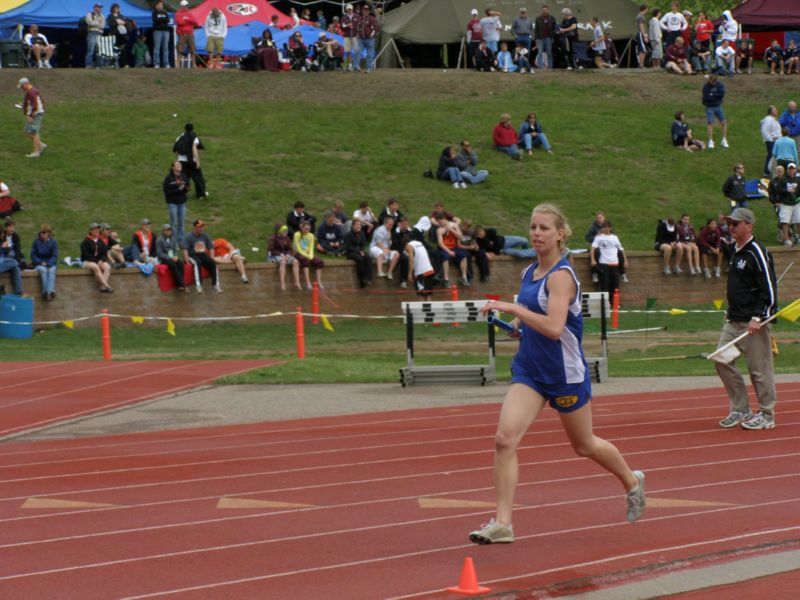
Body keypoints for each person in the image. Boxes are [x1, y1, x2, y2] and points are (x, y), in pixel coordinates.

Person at [468, 204, 645, 545]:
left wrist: (514, 308)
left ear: (560, 234)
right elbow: (531, 314)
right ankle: (503, 523)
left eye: (544, 228)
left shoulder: (562, 277)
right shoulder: (529, 272)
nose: (536, 233)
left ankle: (632, 480)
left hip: (564, 374)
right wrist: (514, 324)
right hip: (530, 370)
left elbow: (553, 327)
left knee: (584, 445)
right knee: (504, 439)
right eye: (533, 226)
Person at [715, 208, 778, 431]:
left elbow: (768, 288)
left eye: (735, 224)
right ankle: (741, 408)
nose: (731, 228)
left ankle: (767, 414)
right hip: (733, 320)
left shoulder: (756, 251)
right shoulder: (735, 250)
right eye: (729, 224)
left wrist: (759, 317)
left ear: (748, 226)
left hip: (753, 322)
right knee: (721, 358)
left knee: (759, 369)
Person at [590, 220, 627, 295]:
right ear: (602, 228)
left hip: (614, 264)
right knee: (604, 286)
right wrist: (592, 259)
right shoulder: (599, 237)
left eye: (608, 227)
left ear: (610, 228)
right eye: (605, 227)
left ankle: (616, 303)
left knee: (615, 286)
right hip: (604, 264)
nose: (606, 229)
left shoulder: (615, 237)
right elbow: (592, 249)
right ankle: (605, 304)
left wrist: (625, 260)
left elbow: (621, 249)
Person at [183, 219, 220, 293]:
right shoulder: (188, 236)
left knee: (212, 263)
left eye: (202, 226)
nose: (201, 228)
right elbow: (185, 249)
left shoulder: (205, 235)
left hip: (202, 254)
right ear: (195, 228)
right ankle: (199, 285)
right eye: (199, 227)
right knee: (197, 263)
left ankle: (215, 284)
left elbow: (211, 248)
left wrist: (212, 258)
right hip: (192, 254)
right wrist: (187, 260)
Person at [174, 123, 207, 200]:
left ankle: (180, 194)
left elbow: (177, 150)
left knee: (183, 179)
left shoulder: (180, 137)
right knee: (198, 179)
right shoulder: (194, 137)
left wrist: (177, 161)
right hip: (192, 162)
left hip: (181, 161)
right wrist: (197, 161)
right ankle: (201, 195)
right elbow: (194, 148)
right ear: (192, 129)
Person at [17, 77, 46, 158]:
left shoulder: (32, 92)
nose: (21, 88)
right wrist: (23, 105)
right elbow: (31, 103)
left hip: (36, 114)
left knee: (34, 132)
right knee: (27, 131)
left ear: (26, 84)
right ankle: (40, 145)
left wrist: (31, 116)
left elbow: (35, 106)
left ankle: (36, 152)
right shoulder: (29, 91)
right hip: (33, 113)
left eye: (22, 86)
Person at [81, 223, 113, 293]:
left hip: (99, 260)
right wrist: (96, 261)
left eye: (97, 229)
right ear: (90, 231)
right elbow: (86, 255)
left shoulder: (100, 241)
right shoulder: (86, 241)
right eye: (94, 229)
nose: (96, 231)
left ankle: (102, 287)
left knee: (107, 267)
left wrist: (102, 260)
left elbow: (104, 253)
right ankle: (107, 286)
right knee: (96, 267)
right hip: (87, 261)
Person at [163, 160, 190, 243]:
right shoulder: (168, 178)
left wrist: (185, 188)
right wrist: (179, 189)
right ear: (173, 167)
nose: (179, 166)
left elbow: (187, 186)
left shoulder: (184, 176)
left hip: (182, 202)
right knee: (173, 222)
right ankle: (173, 240)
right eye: (177, 165)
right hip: (172, 203)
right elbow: (167, 192)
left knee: (181, 222)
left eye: (180, 165)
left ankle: (181, 239)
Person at [268, 224, 300, 291]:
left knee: (295, 261)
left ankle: (296, 282)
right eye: (283, 231)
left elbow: (289, 249)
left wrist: (288, 255)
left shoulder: (287, 238)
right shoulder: (273, 238)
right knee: (283, 262)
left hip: (286, 255)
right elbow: (271, 249)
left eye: (286, 231)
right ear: (279, 231)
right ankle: (282, 283)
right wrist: (281, 254)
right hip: (276, 255)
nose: (285, 232)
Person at [437, 221, 470, 287]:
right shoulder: (440, 230)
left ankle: (464, 278)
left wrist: (452, 230)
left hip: (454, 248)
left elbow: (461, 238)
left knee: (463, 256)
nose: (444, 223)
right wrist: (449, 251)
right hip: (444, 248)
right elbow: (440, 243)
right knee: (445, 257)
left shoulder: (455, 227)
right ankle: (446, 279)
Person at [293, 220, 324, 290]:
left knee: (319, 261)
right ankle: (308, 283)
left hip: (308, 254)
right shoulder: (297, 234)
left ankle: (319, 281)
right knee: (305, 261)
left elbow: (311, 247)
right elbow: (298, 249)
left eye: (309, 229)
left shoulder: (311, 235)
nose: (307, 230)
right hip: (298, 253)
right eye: (306, 229)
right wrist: (308, 257)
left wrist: (311, 256)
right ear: (302, 228)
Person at [30, 223, 58, 300]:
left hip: (50, 263)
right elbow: (33, 255)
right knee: (43, 270)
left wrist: (49, 263)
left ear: (48, 233)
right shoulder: (36, 242)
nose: (42, 234)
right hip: (39, 263)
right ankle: (49, 291)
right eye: (41, 232)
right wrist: (40, 262)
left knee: (52, 270)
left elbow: (55, 255)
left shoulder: (53, 242)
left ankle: (46, 292)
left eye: (44, 232)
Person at [156, 223, 186, 292]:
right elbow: (159, 253)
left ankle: (179, 283)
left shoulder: (173, 239)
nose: (169, 231)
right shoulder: (159, 240)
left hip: (173, 257)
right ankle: (182, 284)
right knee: (173, 265)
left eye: (170, 230)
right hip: (164, 258)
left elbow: (175, 249)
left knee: (180, 264)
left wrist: (175, 256)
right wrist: (170, 258)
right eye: (167, 230)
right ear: (163, 231)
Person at [343, 219, 372, 289]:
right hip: (351, 253)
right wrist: (359, 252)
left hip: (360, 251)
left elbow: (363, 244)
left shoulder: (362, 234)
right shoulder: (348, 235)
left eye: (360, 225)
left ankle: (367, 278)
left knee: (368, 257)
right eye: (357, 225)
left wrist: (362, 251)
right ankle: (361, 280)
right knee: (360, 259)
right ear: (353, 226)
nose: (359, 226)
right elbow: (348, 247)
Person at [702, 75, 728, 150]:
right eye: (711, 81)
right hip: (709, 107)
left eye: (714, 82)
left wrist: (712, 94)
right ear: (709, 80)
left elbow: (721, 94)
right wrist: (715, 95)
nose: (713, 83)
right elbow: (706, 97)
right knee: (710, 123)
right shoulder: (705, 87)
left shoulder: (720, 85)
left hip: (718, 106)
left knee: (723, 122)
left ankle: (724, 139)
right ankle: (710, 140)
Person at [777, 163, 800, 246]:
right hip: (786, 204)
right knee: (785, 222)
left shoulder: (798, 180)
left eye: (792, 168)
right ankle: (786, 240)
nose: (791, 170)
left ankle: (798, 238)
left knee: (798, 221)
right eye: (790, 168)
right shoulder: (783, 179)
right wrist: (787, 190)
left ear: (795, 169)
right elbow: (779, 190)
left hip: (796, 204)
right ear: (787, 170)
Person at [353, 3, 380, 73]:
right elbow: (357, 28)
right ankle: (355, 66)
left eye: (367, 10)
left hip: (370, 39)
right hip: (361, 39)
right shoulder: (360, 19)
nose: (365, 11)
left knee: (370, 54)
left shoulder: (372, 18)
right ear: (362, 10)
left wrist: (373, 33)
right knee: (357, 52)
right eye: (364, 10)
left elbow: (377, 28)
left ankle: (369, 69)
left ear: (369, 11)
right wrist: (357, 35)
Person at [175, 0, 200, 68]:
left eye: (187, 5)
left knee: (192, 49)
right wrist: (189, 21)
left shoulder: (189, 13)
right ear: (182, 6)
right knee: (180, 49)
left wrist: (186, 20)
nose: (187, 7)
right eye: (185, 5)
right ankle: (177, 64)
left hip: (190, 33)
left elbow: (195, 22)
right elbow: (179, 22)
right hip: (181, 34)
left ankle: (194, 64)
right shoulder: (178, 13)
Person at [760, 105, 782, 177]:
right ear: (772, 111)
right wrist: (771, 139)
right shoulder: (768, 119)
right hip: (772, 142)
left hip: (776, 141)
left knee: (772, 156)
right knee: (771, 157)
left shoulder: (773, 119)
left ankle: (771, 171)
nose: (777, 111)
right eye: (775, 110)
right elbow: (764, 131)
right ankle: (767, 172)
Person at [151, 0, 171, 69]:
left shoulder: (165, 12)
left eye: (161, 5)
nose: (160, 6)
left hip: (166, 31)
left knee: (165, 48)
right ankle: (157, 63)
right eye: (159, 5)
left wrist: (161, 19)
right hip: (157, 31)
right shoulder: (154, 12)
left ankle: (166, 63)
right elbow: (155, 20)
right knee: (157, 48)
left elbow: (168, 20)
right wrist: (163, 19)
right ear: (156, 6)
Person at [85, 3, 105, 68]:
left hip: (100, 33)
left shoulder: (102, 16)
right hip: (92, 33)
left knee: (99, 50)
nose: (99, 8)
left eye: (100, 7)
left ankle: (99, 65)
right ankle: (88, 64)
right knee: (91, 49)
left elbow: (103, 25)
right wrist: (98, 23)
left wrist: (95, 23)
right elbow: (89, 22)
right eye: (98, 7)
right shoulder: (89, 14)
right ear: (95, 8)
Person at [341, 3, 357, 71]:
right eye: (348, 9)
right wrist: (347, 25)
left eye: (350, 9)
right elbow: (342, 26)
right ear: (346, 10)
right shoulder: (344, 17)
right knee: (348, 51)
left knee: (357, 50)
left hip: (355, 36)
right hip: (347, 36)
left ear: (352, 9)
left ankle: (356, 64)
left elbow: (359, 25)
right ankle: (350, 65)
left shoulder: (357, 16)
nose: (349, 10)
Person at [634, 4, 649, 69]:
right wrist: (644, 36)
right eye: (647, 9)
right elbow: (641, 27)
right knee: (642, 50)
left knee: (643, 49)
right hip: (641, 34)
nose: (647, 10)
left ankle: (641, 64)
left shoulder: (640, 16)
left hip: (641, 34)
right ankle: (641, 65)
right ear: (645, 9)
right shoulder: (640, 16)